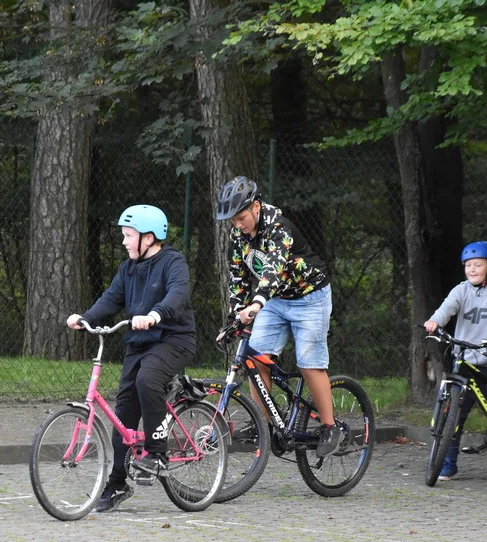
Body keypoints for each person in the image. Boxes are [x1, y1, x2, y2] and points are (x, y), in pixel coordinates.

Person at [66, 205, 196, 513]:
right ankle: (118, 482)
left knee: (147, 379)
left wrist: (155, 314)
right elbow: (112, 298)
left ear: (149, 238)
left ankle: (157, 452)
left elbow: (178, 294)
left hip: (173, 339)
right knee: (122, 412)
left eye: (129, 236)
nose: (124, 242)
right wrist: (85, 318)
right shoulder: (129, 268)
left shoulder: (172, 262)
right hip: (139, 343)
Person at [215, 176, 340, 458]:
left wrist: (256, 304)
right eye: (233, 221)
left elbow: (272, 270)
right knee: (256, 358)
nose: (238, 225)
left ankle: (331, 427)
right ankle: (265, 423)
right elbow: (238, 278)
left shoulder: (279, 227)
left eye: (241, 217)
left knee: (309, 363)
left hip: (310, 298)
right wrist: (236, 315)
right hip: (273, 300)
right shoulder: (238, 236)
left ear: (256, 206)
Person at [423, 241, 487, 481]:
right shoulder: (461, 290)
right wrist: (435, 321)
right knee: (454, 413)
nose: (472, 269)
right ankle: (448, 463)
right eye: (468, 265)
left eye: (478, 264)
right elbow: (447, 308)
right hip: (464, 360)